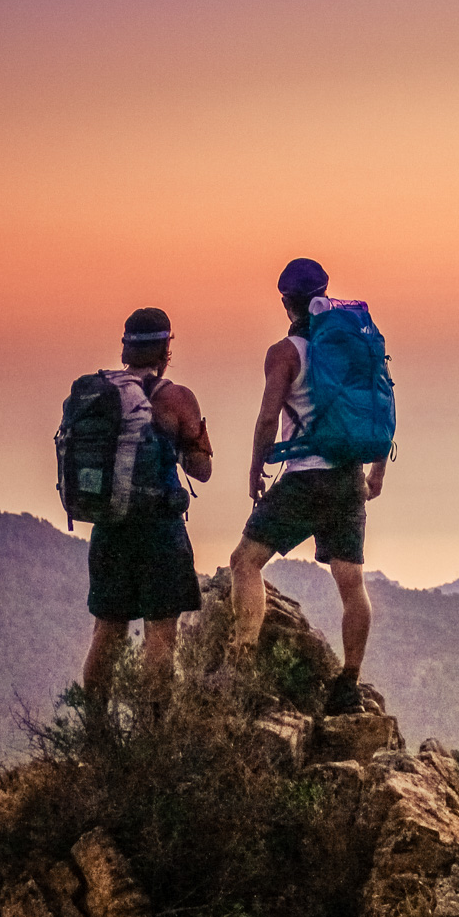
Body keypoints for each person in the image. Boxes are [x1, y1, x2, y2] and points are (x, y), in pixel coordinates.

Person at [227, 258, 387, 715]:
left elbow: (266, 417)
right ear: (324, 290)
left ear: (285, 301)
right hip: (348, 475)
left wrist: (256, 467)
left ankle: (241, 665)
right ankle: (348, 684)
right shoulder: (356, 344)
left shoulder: (286, 351)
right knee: (351, 581)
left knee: (245, 562)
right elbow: (377, 405)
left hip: (304, 476)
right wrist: (377, 470)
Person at [81, 307, 214, 729]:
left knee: (107, 630)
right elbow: (202, 470)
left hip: (109, 526)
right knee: (161, 634)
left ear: (125, 349)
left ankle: (96, 731)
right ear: (166, 350)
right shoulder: (176, 397)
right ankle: (153, 736)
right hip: (160, 531)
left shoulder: (99, 395)